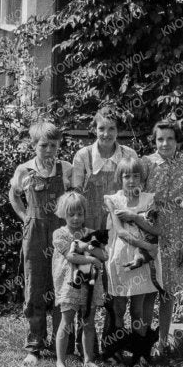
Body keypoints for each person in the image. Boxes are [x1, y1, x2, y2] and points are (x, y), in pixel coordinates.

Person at [68, 107, 139, 347]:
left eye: (111, 129)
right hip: (91, 227)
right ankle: (83, 341)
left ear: (118, 131)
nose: (106, 134)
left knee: (115, 282)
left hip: (119, 227)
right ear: (94, 130)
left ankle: (113, 338)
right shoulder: (84, 156)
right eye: (101, 129)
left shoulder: (129, 154)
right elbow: (76, 196)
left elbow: (135, 192)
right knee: (87, 280)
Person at [145, 115, 183, 361]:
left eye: (170, 139)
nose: (165, 144)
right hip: (150, 228)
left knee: (168, 289)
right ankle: (144, 339)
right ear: (155, 141)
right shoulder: (145, 164)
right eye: (160, 139)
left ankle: (162, 341)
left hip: (176, 231)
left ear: (177, 142)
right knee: (149, 286)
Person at [7, 121, 66, 362]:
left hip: (60, 231)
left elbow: (73, 199)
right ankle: (35, 344)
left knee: (62, 284)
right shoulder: (25, 169)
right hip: (34, 234)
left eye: (53, 145)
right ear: (34, 145)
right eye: (44, 145)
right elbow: (14, 196)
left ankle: (62, 340)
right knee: (35, 286)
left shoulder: (66, 169)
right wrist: (25, 218)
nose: (49, 150)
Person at [104, 157, 160, 357]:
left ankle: (140, 352)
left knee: (138, 309)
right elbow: (120, 232)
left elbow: (156, 228)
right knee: (118, 305)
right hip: (121, 256)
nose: (131, 180)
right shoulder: (113, 199)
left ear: (142, 178)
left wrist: (136, 217)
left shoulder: (150, 199)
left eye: (136, 175)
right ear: (120, 177)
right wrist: (148, 247)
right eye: (127, 175)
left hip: (143, 259)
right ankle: (118, 349)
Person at [49, 190, 106, 367]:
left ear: (85, 213)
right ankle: (60, 362)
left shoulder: (91, 233)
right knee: (66, 322)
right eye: (71, 214)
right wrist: (91, 259)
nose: (75, 218)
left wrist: (91, 247)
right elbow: (71, 256)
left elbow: (103, 254)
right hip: (69, 284)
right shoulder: (59, 234)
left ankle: (88, 359)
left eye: (79, 214)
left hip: (90, 283)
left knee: (88, 322)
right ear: (63, 214)